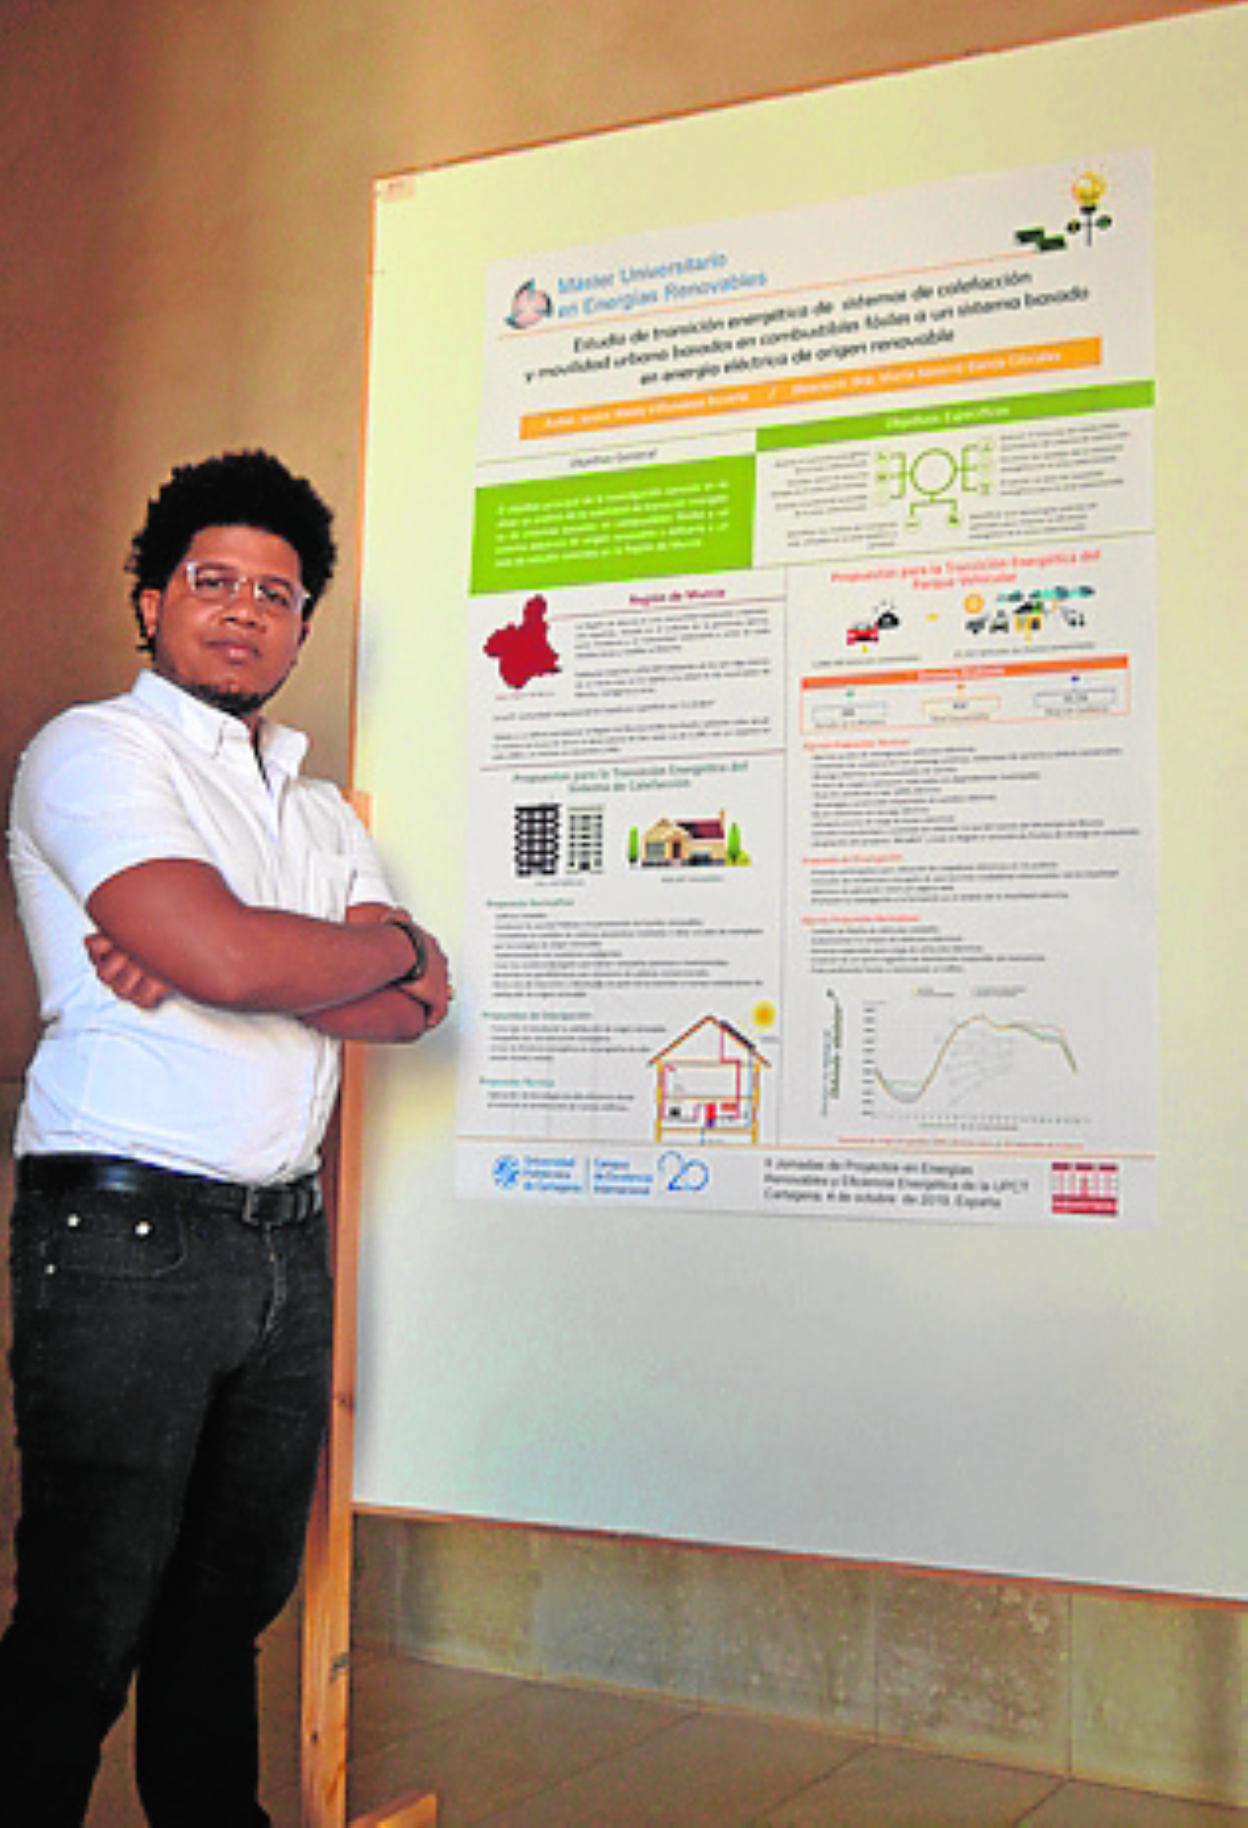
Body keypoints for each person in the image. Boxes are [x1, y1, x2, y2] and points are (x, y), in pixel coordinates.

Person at [1, 449, 450, 1826]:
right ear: (152, 603)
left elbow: (415, 1004)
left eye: (277, 592)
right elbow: (246, 958)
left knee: (225, 1612)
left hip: (280, 1244)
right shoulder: (95, 751)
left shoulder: (313, 809)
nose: (245, 609)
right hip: (122, 1235)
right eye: (213, 581)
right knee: (88, 1617)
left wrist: (250, 954)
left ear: (302, 626)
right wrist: (297, 952)